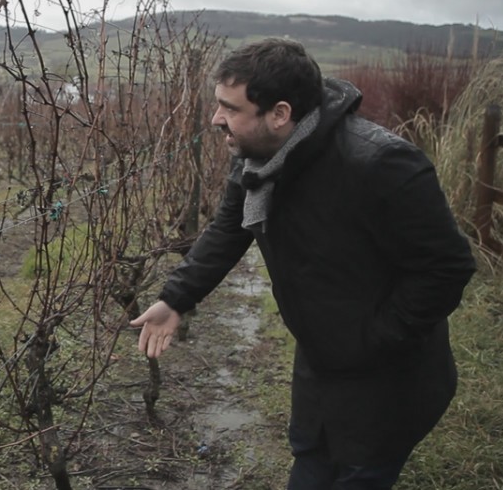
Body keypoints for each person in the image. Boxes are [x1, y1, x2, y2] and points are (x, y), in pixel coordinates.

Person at [130, 38, 476, 489]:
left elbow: (447, 267)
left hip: (389, 374)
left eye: (230, 109)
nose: (216, 119)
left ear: (279, 113)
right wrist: (176, 298)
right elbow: (228, 229)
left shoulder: (381, 164)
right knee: (310, 461)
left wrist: (372, 340)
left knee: (361, 472)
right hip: (320, 360)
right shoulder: (257, 158)